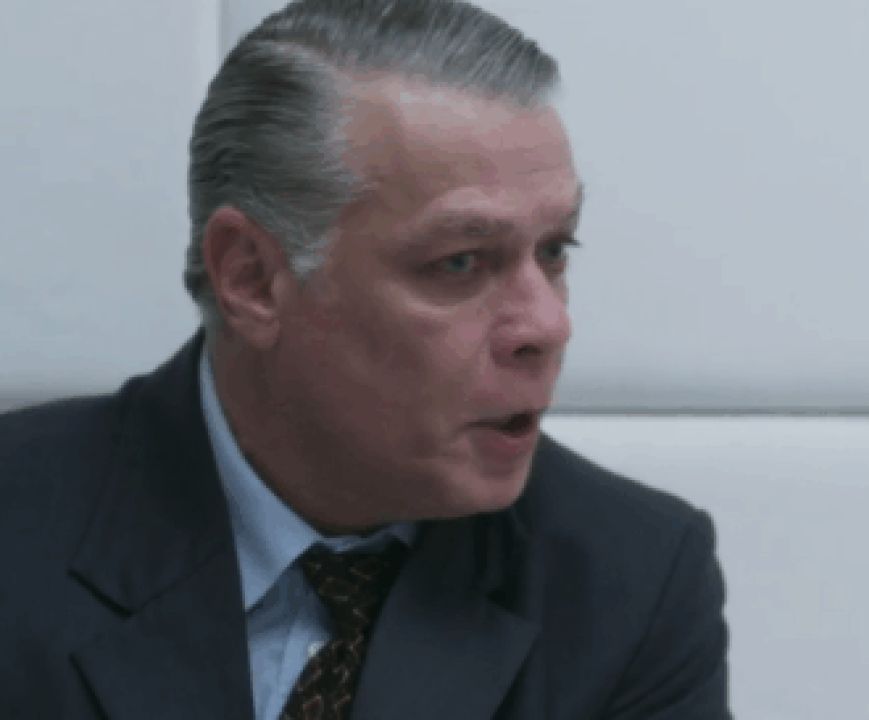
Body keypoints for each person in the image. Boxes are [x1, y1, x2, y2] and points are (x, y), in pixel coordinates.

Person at [0, 1, 731, 718]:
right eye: (460, 262)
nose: (549, 324)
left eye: (554, 251)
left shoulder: (632, 582)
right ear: (252, 278)